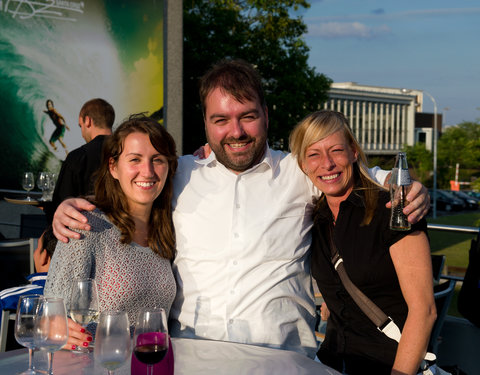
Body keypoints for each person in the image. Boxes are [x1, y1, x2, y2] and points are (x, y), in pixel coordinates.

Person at [51, 59, 430, 358]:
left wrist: (408, 186)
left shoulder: (298, 171)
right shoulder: (179, 171)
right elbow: (132, 188)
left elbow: (353, 172)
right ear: (206, 124)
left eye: (247, 116)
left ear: (265, 114)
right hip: (190, 358)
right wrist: (67, 208)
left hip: (281, 360)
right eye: (221, 120)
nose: (236, 131)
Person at [290, 110, 436, 374]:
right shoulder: (316, 217)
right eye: (314, 154)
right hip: (332, 363)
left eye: (336, 150)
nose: (327, 163)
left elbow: (424, 310)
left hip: (390, 365)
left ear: (354, 152)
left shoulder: (394, 208)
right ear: (303, 164)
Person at [44, 115, 178, 351]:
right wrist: (53, 328)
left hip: (149, 365)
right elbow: (50, 316)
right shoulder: (86, 225)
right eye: (134, 159)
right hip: (95, 364)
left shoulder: (167, 228)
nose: (147, 171)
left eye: (157, 160)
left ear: (169, 167)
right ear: (113, 167)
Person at [44, 98, 115, 223]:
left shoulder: (78, 157)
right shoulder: (128, 152)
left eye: (80, 126)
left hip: (85, 231)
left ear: (87, 121)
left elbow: (61, 204)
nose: (82, 133)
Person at [0, 226, 57, 311]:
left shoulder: (7, 299)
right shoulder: (80, 298)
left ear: (44, 257)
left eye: (37, 248)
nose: (34, 252)